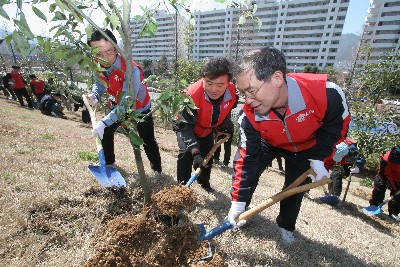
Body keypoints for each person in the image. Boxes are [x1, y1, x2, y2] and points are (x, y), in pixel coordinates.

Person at [226, 47, 350, 244]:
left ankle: (286, 226)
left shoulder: (326, 94)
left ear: (277, 78)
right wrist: (237, 200)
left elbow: (337, 129)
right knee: (252, 169)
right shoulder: (249, 115)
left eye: (251, 90)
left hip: (306, 148)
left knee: (295, 188)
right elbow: (246, 158)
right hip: (270, 141)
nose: (247, 100)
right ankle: (240, 211)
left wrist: (321, 158)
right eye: (243, 93)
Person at [86, 29, 162, 175]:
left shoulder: (131, 69)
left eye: (108, 52)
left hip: (139, 107)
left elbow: (128, 102)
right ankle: (109, 162)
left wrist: (104, 122)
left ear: (116, 48)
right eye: (98, 54)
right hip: (116, 102)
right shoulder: (98, 64)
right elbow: (100, 83)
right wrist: (95, 95)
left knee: (147, 139)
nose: (104, 58)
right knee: (106, 131)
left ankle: (157, 169)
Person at [173, 57, 237, 192]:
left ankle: (204, 183)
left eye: (220, 85)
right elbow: (185, 127)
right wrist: (195, 151)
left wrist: (225, 125)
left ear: (228, 83)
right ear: (203, 79)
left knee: (208, 154)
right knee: (186, 154)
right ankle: (182, 188)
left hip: (207, 129)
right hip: (186, 126)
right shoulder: (191, 95)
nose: (214, 89)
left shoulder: (232, 92)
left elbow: (226, 109)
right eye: (209, 83)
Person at [368, 145, 400, 221]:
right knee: (378, 189)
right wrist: (391, 185)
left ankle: (393, 213)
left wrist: (396, 188)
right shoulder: (386, 159)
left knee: (398, 196)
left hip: (398, 178)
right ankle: (375, 206)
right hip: (384, 175)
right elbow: (384, 173)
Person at [213, 94, 238, 168]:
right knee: (217, 144)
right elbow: (216, 140)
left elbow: (234, 101)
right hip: (218, 129)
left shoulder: (227, 107)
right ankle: (216, 158)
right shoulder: (215, 114)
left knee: (227, 146)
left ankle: (226, 163)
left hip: (228, 129)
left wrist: (232, 91)